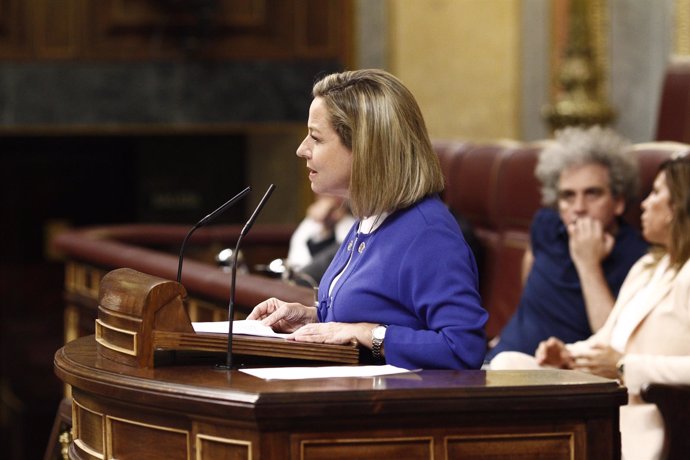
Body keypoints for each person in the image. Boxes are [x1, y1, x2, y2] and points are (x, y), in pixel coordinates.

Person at [247, 69, 488, 370]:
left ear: (364, 149)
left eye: (316, 138)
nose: (301, 149)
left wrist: (367, 334)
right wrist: (311, 317)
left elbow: (463, 348)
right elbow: (382, 313)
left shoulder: (427, 233)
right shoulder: (372, 218)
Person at [491, 156, 690, 460]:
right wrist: (569, 354)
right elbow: (607, 336)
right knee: (506, 365)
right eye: (568, 195)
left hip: (644, 411)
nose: (646, 204)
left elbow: (620, 358)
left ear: (682, 203)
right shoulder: (650, 265)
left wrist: (626, 366)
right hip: (602, 397)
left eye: (657, 193)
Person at [485, 126, 648, 361]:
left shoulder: (638, 256)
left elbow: (613, 343)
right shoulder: (547, 224)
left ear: (619, 202)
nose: (579, 207)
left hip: (557, 378)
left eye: (592, 194)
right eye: (568, 196)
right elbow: (530, 281)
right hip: (496, 360)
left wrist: (588, 264)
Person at [285, 195, 355, 286]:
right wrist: (324, 225)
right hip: (301, 285)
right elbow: (296, 262)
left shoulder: (352, 225)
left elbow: (344, 257)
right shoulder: (308, 224)